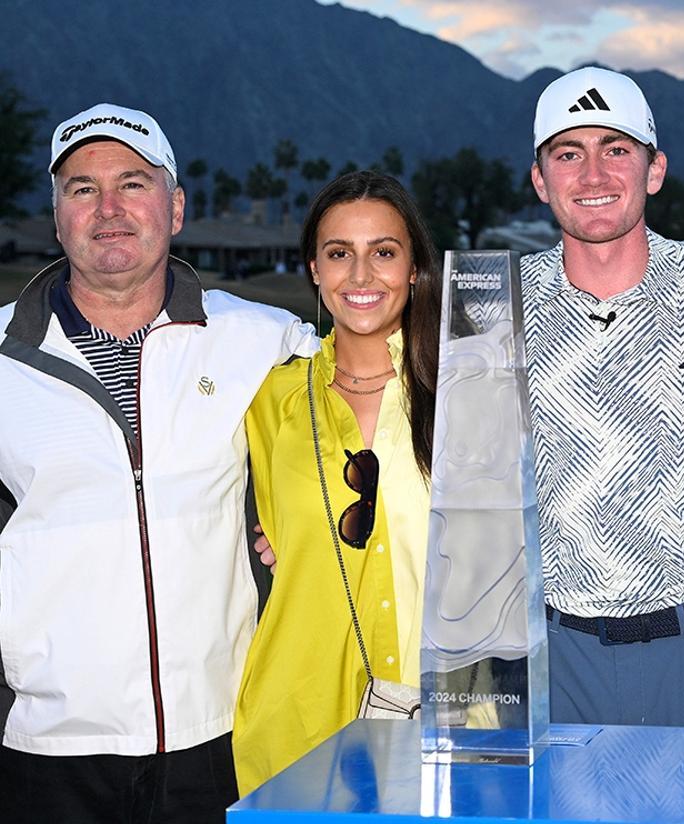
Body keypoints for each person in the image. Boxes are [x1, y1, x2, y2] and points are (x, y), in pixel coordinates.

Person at [0, 103, 315, 823]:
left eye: (133, 184)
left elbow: (369, 414)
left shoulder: (266, 339)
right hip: (46, 754)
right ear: (56, 217)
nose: (108, 209)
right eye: (83, 189)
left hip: (222, 738)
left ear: (174, 208)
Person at [524, 66, 684, 727]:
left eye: (617, 150)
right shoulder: (496, 307)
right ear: (541, 181)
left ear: (654, 170)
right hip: (553, 657)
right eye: (569, 154)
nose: (594, 176)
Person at [232, 171, 440, 794]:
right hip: (299, 722)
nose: (360, 275)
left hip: (446, 725)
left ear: (414, 269)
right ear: (314, 271)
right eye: (338, 254)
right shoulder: (267, 400)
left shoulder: (468, 392)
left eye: (383, 252)